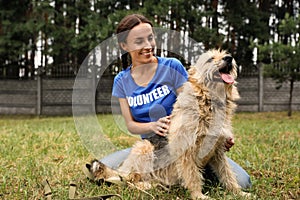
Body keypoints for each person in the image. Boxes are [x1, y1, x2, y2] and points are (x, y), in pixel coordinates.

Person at [100, 13, 251, 189]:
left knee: (243, 182)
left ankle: (179, 175)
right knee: (102, 168)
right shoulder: (121, 81)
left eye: (150, 38)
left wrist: (218, 133)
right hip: (151, 147)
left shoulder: (172, 66)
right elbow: (131, 125)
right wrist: (152, 126)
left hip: (188, 145)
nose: (148, 45)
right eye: (139, 41)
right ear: (124, 45)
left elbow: (197, 102)